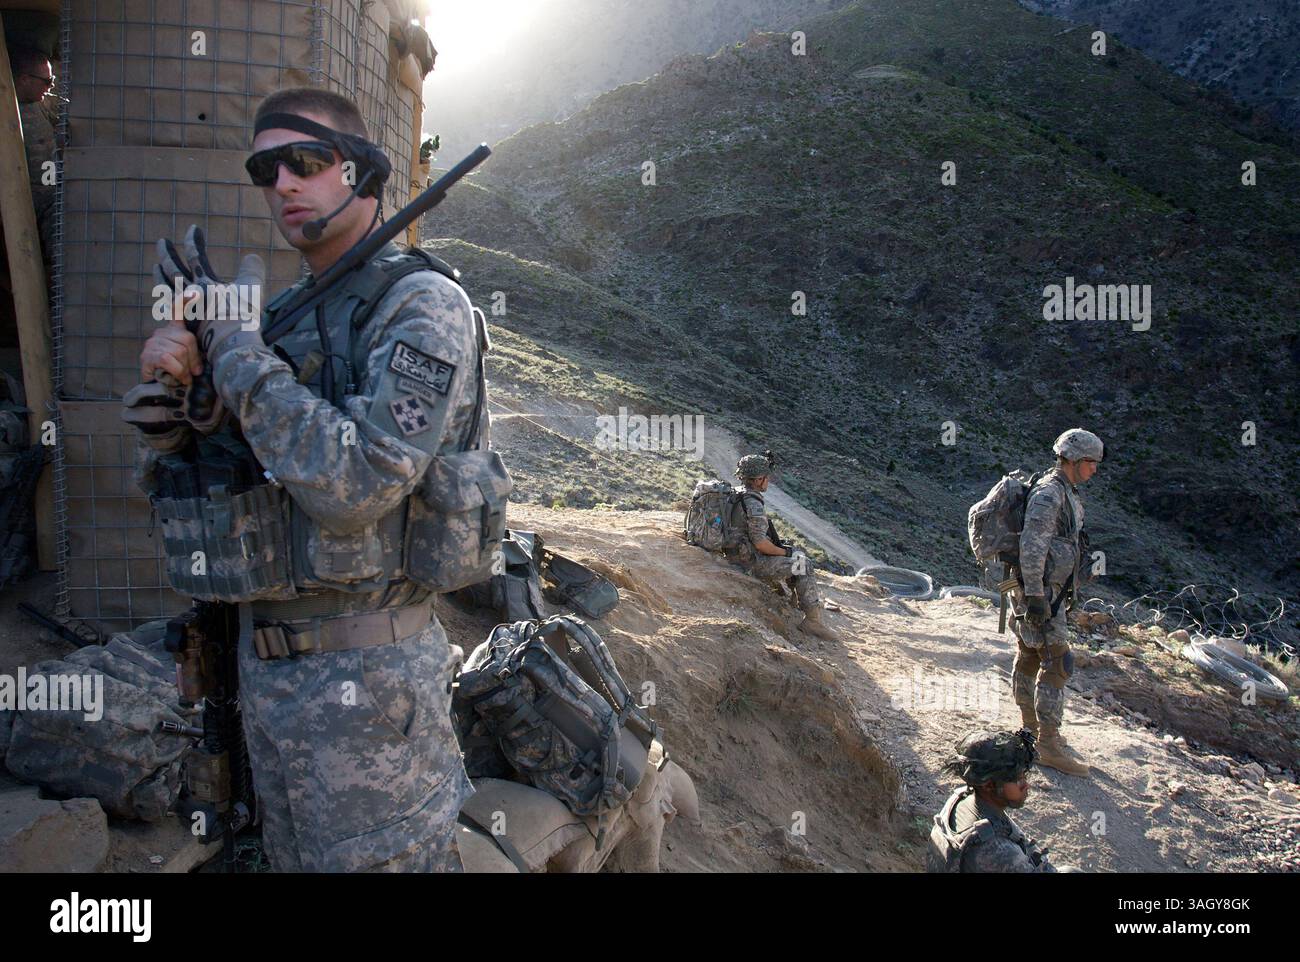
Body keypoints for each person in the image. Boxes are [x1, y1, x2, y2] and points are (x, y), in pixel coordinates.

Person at [125, 87, 506, 871]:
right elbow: (232, 481)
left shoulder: (422, 305)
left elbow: (358, 485)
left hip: (368, 689)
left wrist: (230, 346)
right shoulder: (287, 318)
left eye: (306, 162)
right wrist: (175, 417)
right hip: (267, 674)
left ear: (361, 173)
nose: (284, 185)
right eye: (267, 170)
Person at [1009, 428, 1103, 777]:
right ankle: (1047, 744)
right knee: (1058, 662)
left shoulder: (1065, 491)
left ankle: (1031, 732)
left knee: (1031, 654)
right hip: (1040, 593)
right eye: (1092, 463)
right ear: (1076, 461)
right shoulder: (1050, 494)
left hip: (1045, 590)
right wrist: (1034, 594)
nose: (1094, 470)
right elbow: (1032, 545)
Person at [927, 728, 1076, 872]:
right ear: (989, 785)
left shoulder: (961, 798)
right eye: (1017, 780)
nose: (1025, 785)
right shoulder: (999, 852)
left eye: (1024, 776)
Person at [726, 452, 837, 641]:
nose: (768, 480)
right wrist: (785, 552)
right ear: (759, 479)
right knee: (803, 564)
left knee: (791, 555)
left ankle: (795, 600)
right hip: (750, 563)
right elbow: (761, 544)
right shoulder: (753, 504)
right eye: (766, 477)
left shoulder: (737, 494)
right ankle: (812, 621)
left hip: (736, 555)